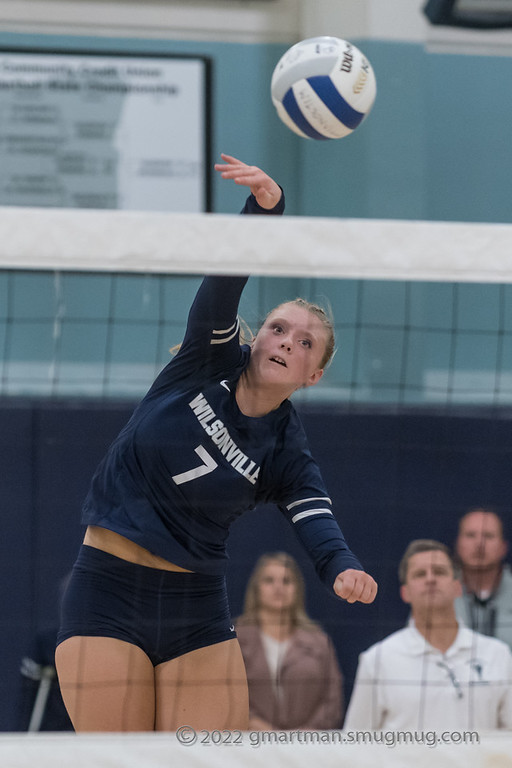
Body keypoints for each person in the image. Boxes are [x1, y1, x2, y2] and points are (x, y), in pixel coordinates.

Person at [55, 153, 377, 733]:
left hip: (195, 607)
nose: (286, 341)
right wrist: (265, 209)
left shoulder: (286, 450)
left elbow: (317, 524)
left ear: (313, 376)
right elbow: (225, 277)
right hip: (109, 585)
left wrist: (344, 569)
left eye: (306, 343)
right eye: (278, 328)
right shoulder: (206, 358)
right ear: (258, 339)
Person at [344, 539, 512, 731]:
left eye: (439, 572)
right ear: (405, 592)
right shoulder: (378, 660)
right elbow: (354, 745)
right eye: (420, 574)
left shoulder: (497, 655)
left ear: (458, 587)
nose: (430, 579)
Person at [236, 552, 343, 730]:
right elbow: (227, 696)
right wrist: (257, 727)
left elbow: (332, 703)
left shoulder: (319, 642)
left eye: (286, 581)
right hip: (250, 745)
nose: (279, 587)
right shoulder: (235, 640)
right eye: (269, 580)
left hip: (307, 748)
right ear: (256, 588)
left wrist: (300, 737)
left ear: (297, 589)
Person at [454, 507, 512, 648]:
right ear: (457, 544)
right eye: (470, 535)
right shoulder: (436, 593)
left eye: (488, 536)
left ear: (503, 547)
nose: (479, 544)